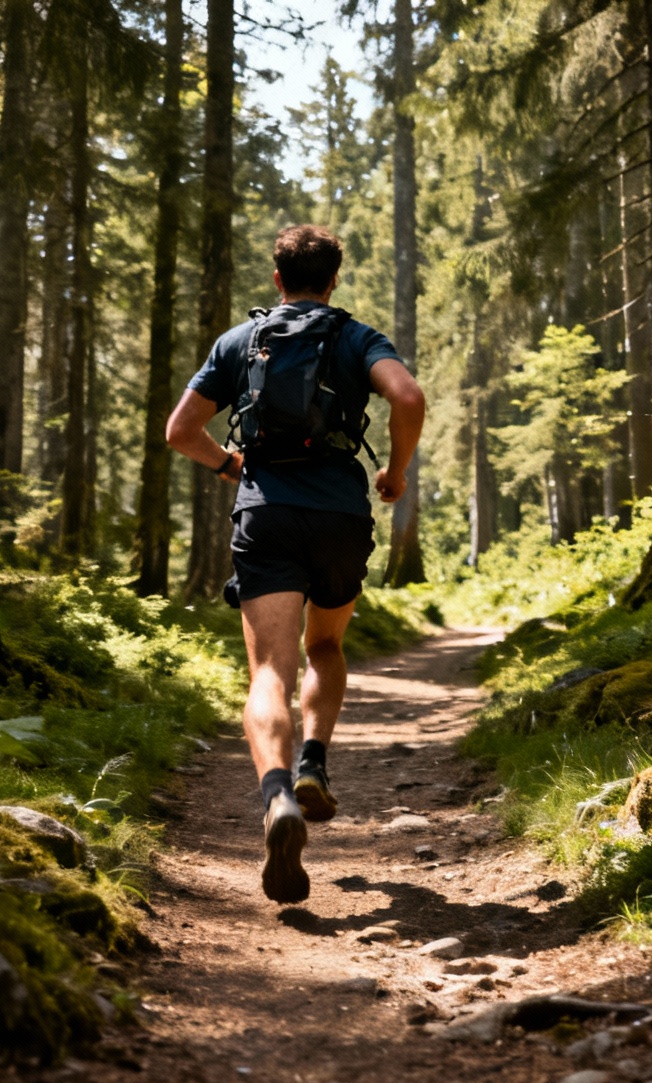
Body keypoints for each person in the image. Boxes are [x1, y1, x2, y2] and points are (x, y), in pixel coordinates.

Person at [164, 224, 425, 904]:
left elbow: (179, 431)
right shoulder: (354, 337)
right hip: (341, 512)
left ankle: (277, 796)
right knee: (327, 644)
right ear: (333, 279)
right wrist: (394, 473)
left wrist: (228, 465)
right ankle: (314, 762)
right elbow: (408, 397)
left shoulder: (239, 342)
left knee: (269, 671)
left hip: (266, 511)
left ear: (277, 279)